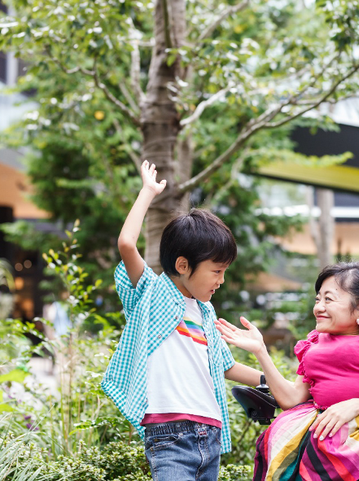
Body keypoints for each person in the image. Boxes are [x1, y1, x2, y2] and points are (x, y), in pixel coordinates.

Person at [101, 160, 263, 481]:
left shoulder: (206, 313)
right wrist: (148, 192)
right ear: (183, 265)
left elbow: (226, 366)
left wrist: (272, 382)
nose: (221, 280)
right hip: (170, 434)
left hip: (211, 434)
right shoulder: (152, 292)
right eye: (216, 271)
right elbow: (126, 245)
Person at [216, 262, 359, 481]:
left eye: (328, 299)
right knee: (276, 437)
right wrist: (260, 350)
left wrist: (357, 405)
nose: (318, 307)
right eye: (318, 299)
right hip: (322, 427)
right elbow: (292, 398)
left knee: (320, 444)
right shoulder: (314, 342)